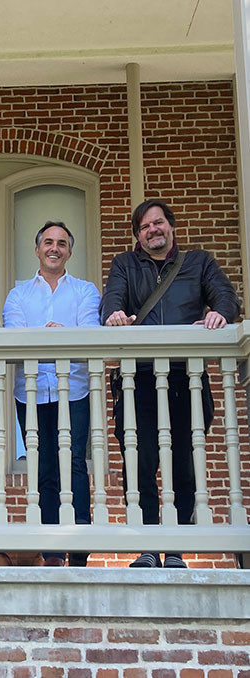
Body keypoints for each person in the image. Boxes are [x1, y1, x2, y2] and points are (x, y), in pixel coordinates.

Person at [100, 199, 240, 568]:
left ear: (171, 226)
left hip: (186, 379)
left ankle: (175, 549)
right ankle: (147, 547)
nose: (153, 231)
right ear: (138, 236)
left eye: (158, 223)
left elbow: (227, 297)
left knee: (184, 465)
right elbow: (110, 302)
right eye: (145, 227)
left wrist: (220, 315)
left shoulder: (199, 263)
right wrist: (113, 314)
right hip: (139, 380)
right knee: (139, 464)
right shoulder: (124, 265)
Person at [2, 221, 100, 567]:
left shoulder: (86, 291)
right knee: (43, 467)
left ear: (69, 251)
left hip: (73, 390)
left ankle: (80, 546)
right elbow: (14, 336)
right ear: (38, 249)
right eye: (48, 242)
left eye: (61, 243)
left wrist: (56, 337)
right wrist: (57, 338)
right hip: (30, 393)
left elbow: (89, 333)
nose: (54, 248)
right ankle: (53, 549)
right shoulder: (19, 295)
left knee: (73, 463)